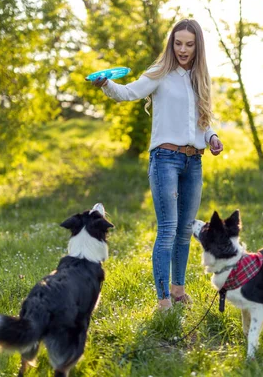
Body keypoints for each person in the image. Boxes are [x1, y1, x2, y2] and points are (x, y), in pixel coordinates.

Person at [91, 19, 224, 310]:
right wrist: (107, 84)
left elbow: (203, 119)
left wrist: (212, 136)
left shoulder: (199, 78)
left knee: (185, 229)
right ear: (171, 43)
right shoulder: (160, 73)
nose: (183, 49)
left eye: (189, 44)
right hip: (165, 159)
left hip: (194, 161)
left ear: (197, 46)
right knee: (168, 229)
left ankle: (178, 290)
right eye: (178, 43)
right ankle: (163, 299)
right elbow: (128, 93)